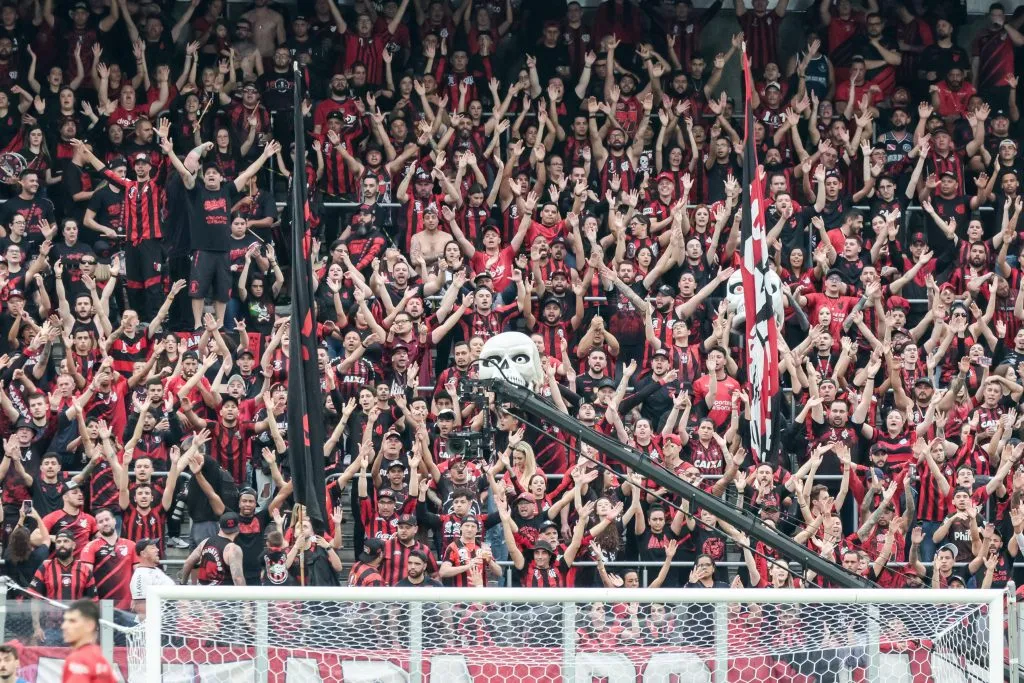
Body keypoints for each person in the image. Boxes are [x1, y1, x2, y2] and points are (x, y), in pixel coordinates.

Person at [177, 512, 246, 586]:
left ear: (220, 526)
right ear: (238, 527)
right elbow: (238, 578)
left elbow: (188, 563)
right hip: (223, 595)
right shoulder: (234, 549)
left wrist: (183, 583)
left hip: (203, 594)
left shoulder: (205, 541)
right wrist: (244, 596)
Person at [61, 599, 117, 682]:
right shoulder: (100, 659)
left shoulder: (78, 659)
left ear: (89, 626)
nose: (64, 626)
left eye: (72, 621)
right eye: (64, 620)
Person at [129, 538, 173, 619]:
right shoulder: (141, 575)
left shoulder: (155, 569)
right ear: (143, 554)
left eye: (156, 547)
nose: (157, 550)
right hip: (157, 625)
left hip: (168, 620)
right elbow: (141, 609)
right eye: (152, 548)